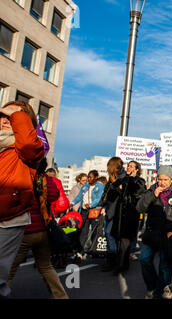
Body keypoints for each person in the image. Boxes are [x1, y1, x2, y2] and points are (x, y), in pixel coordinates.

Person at [0, 101, 44, 298]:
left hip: (8, 219)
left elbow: (26, 143)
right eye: (4, 115)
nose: (6, 119)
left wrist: (17, 114)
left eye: (13, 116)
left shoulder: (30, 149)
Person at [7, 158, 68, 299]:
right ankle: (61, 296)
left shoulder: (22, 176)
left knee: (9, 269)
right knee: (46, 266)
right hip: (43, 229)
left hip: (25, 230)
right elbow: (55, 195)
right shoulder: (45, 179)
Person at [137, 165, 172, 299]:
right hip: (151, 233)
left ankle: (161, 292)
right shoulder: (152, 190)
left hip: (168, 234)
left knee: (165, 267)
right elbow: (140, 208)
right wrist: (153, 195)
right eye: (160, 179)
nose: (161, 182)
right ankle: (151, 286)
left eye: (165, 180)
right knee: (144, 259)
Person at [108, 160, 146, 275]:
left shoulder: (140, 181)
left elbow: (138, 194)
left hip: (130, 215)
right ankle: (122, 264)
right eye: (128, 166)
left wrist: (128, 182)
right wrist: (118, 187)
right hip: (120, 214)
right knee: (119, 239)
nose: (128, 168)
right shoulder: (123, 178)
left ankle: (121, 265)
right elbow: (112, 191)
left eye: (131, 166)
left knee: (125, 240)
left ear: (137, 169)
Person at [98, 157, 126, 272]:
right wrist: (103, 206)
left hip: (116, 209)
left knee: (111, 233)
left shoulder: (122, 177)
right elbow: (107, 194)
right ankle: (111, 259)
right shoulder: (111, 179)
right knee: (108, 233)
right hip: (109, 207)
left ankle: (113, 259)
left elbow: (122, 194)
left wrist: (119, 187)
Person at [70, 170, 105, 260]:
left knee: (94, 230)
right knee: (83, 231)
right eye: (88, 177)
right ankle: (80, 251)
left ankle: (93, 251)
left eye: (90, 177)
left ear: (96, 177)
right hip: (84, 211)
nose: (88, 179)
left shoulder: (100, 186)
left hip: (94, 210)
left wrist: (91, 204)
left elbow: (99, 198)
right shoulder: (85, 186)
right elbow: (79, 196)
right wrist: (72, 202)